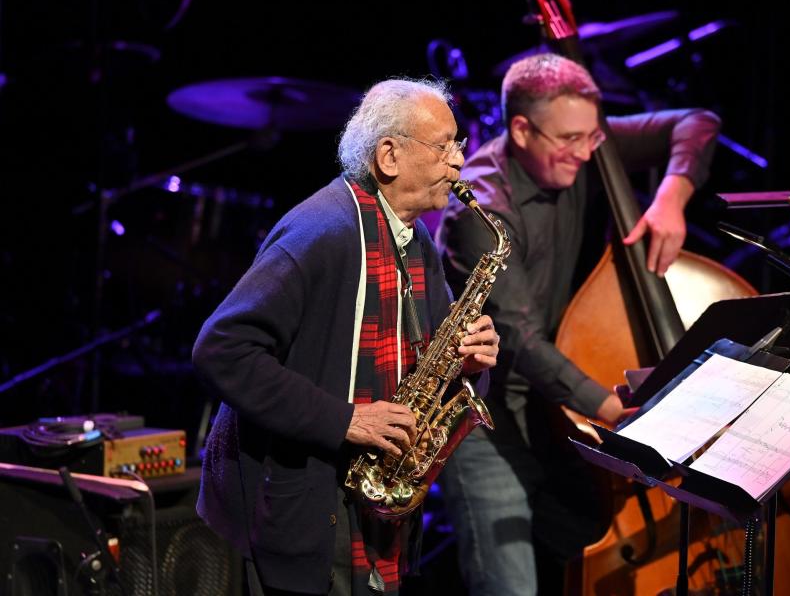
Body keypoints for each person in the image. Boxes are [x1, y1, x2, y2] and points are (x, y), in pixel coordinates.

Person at [192, 78, 501, 596]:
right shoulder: (324, 232)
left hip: (370, 514)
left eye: (459, 145)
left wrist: (470, 364)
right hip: (299, 508)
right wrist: (347, 419)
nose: (459, 164)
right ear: (389, 156)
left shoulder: (414, 237)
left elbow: (438, 363)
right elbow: (221, 349)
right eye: (444, 146)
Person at [436, 53, 722, 595]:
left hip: (556, 414)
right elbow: (519, 340)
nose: (587, 152)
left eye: (593, 137)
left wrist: (672, 195)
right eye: (569, 139)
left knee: (603, 562)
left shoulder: (583, 144)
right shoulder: (481, 211)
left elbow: (697, 122)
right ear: (521, 129)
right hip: (486, 413)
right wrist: (619, 414)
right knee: (510, 584)